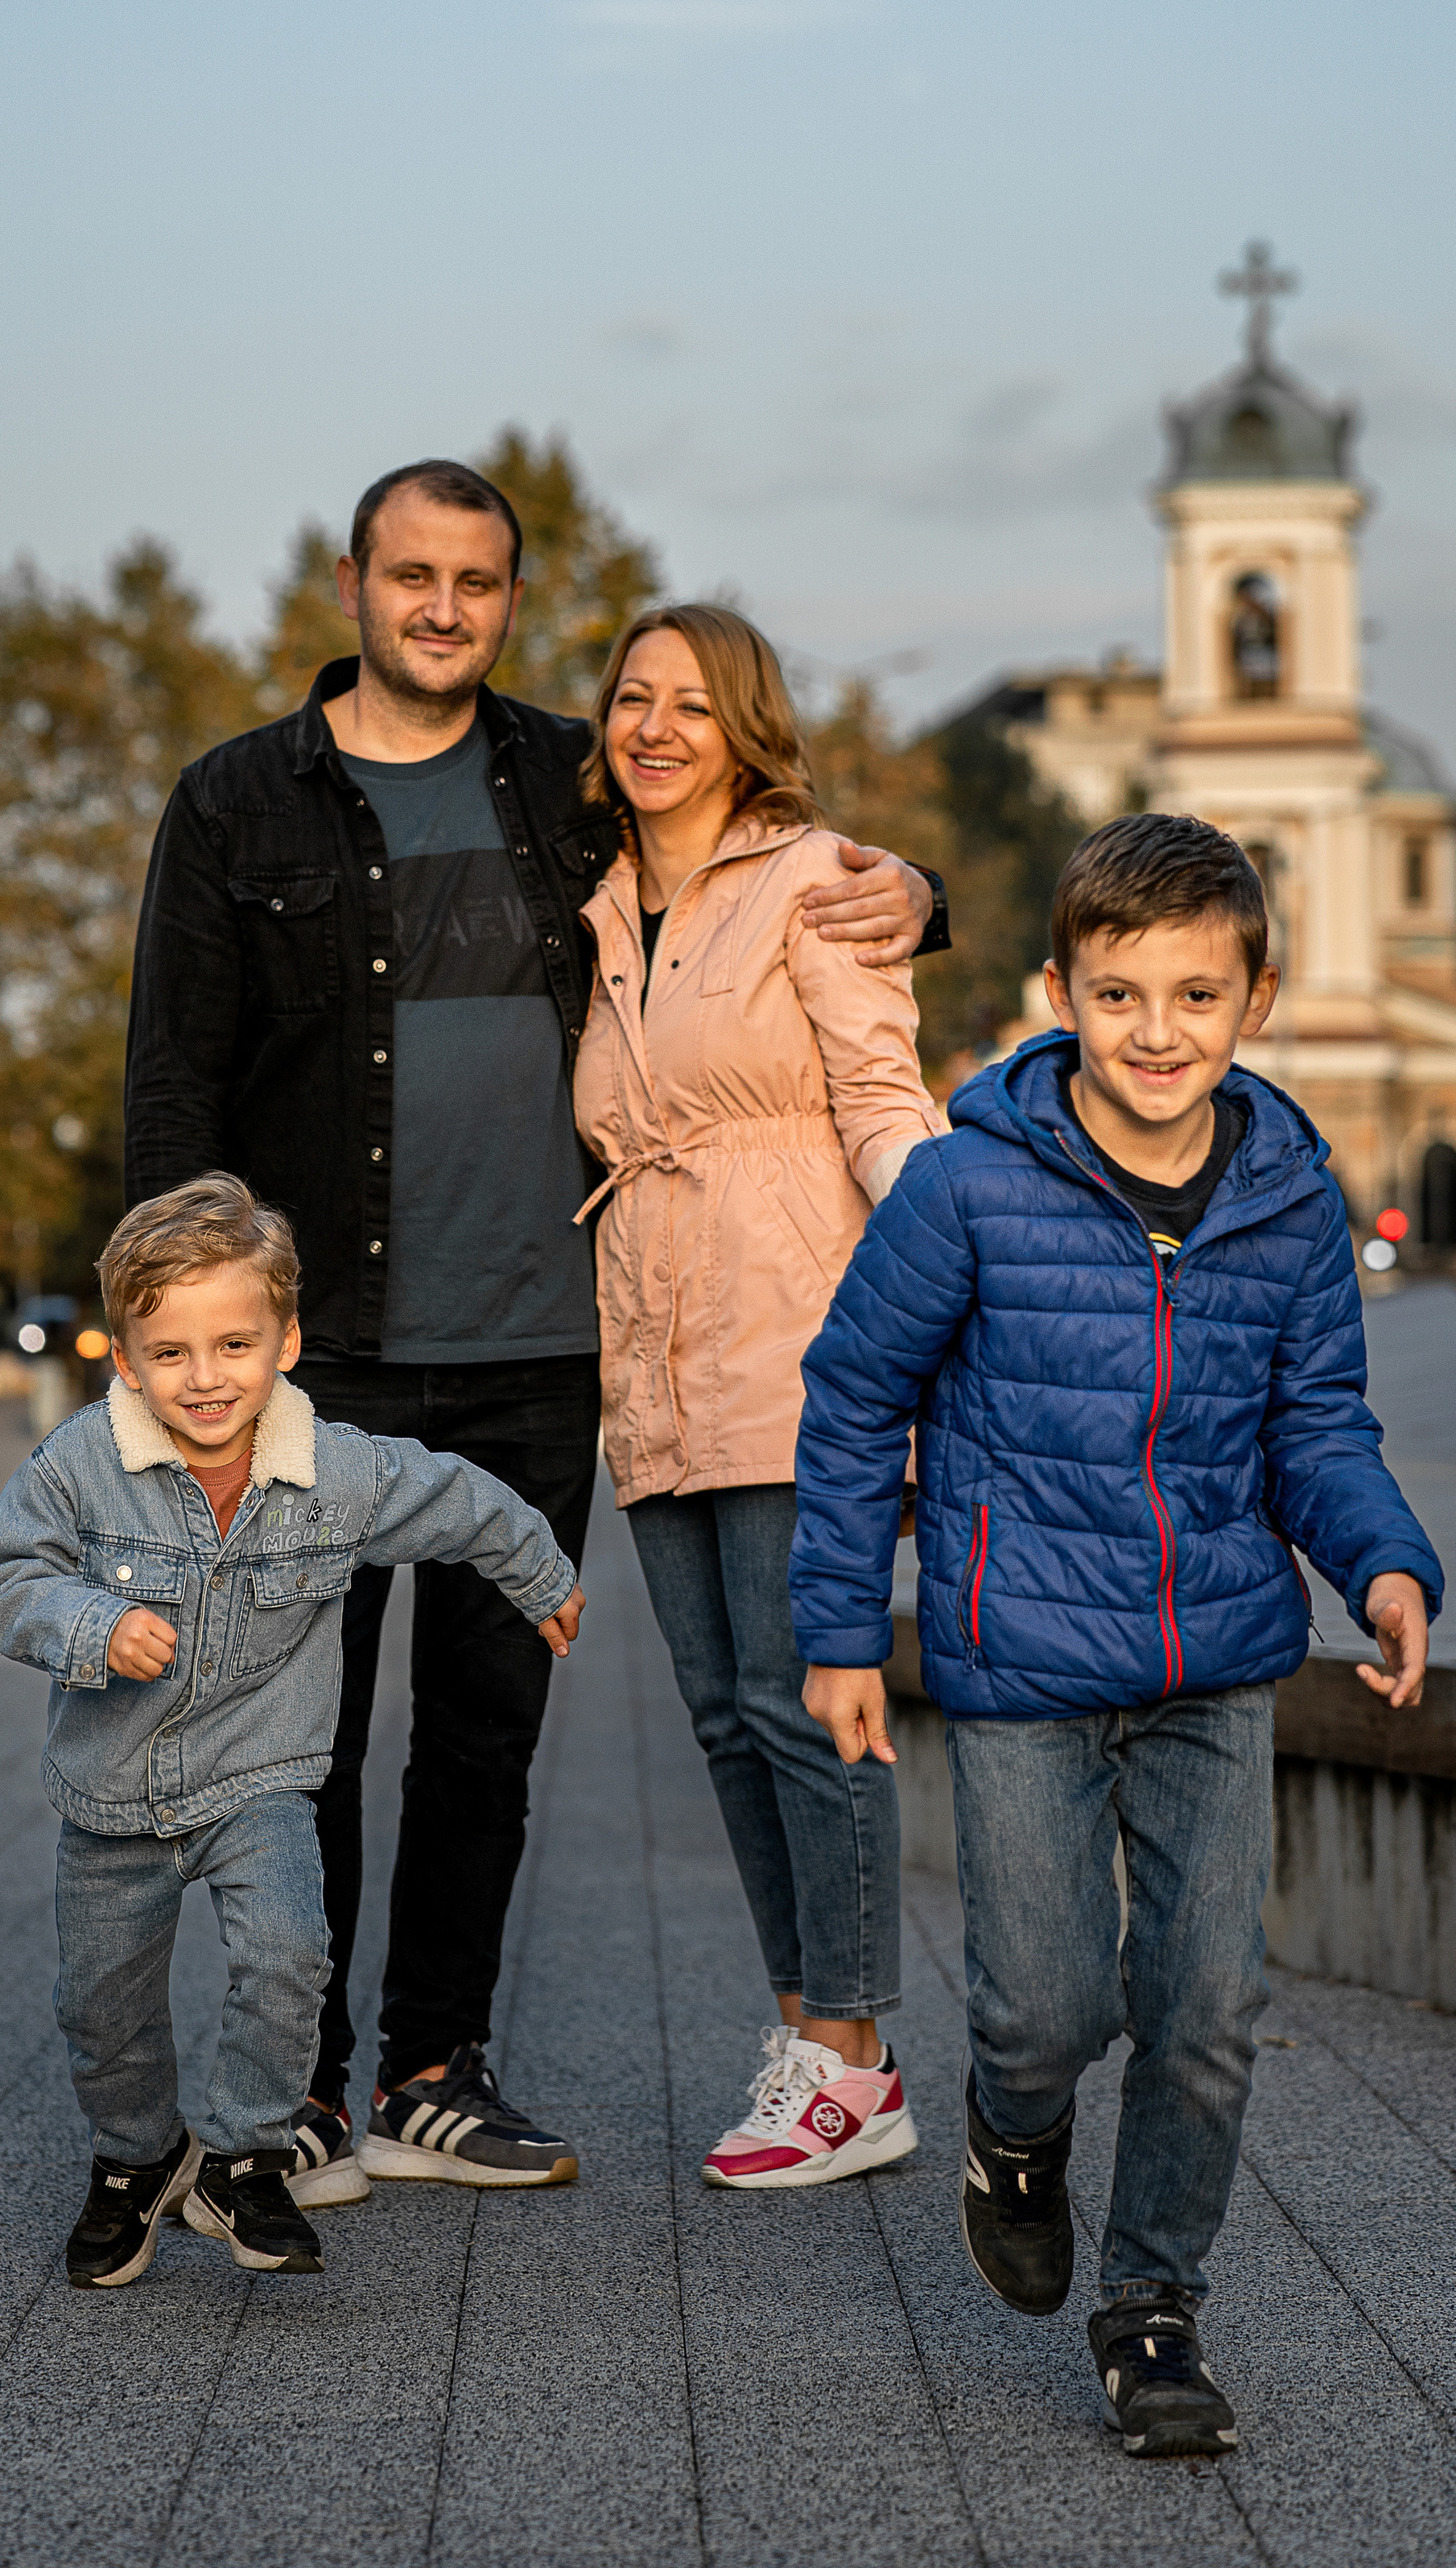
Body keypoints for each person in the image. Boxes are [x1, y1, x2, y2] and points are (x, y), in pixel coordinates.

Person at [123, 459, 945, 2186]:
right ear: (350, 582)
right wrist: (169, 1358)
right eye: (409, 574)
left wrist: (914, 893)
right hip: (317, 1355)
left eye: (476, 582)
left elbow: (757, 856)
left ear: (508, 600)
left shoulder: (563, 783)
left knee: (486, 1734)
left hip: (540, 1352)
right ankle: (302, 2089)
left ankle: (433, 2065)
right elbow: (170, 1088)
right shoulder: (234, 803)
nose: (441, 607)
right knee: (304, 1737)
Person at [787, 813, 1444, 2454]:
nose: (1156, 1032)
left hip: (1218, 1660)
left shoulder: (1290, 1196)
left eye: (1194, 996)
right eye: (1119, 992)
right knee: (1039, 2009)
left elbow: (1319, 1426)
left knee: (1207, 1999)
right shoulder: (962, 1186)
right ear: (1054, 989)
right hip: (1018, 1661)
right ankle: (1012, 2140)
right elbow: (855, 1400)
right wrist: (841, 1629)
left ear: (1254, 1002)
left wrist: (1380, 1566)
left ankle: (1151, 2307)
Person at [0, 1175, 583, 2289]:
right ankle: (135, 2161)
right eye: (172, 1353)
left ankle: (246, 2153)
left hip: (261, 1782)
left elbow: (456, 1497)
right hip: (114, 1796)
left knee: (291, 1954)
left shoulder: (335, 1472)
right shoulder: (78, 1466)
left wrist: (539, 1573)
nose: (206, 1379)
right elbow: (6, 1580)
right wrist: (92, 1625)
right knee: (101, 2008)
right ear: (125, 1358)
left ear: (287, 1341)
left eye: (236, 1344)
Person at [571, 604, 944, 2188]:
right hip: (652, 1353)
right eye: (631, 699)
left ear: (744, 730)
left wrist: (950, 1265)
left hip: (800, 1344)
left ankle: (856, 2057)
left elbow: (877, 1091)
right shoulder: (594, 907)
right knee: (725, 1721)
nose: (655, 726)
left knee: (812, 1707)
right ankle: (808, 2039)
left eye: (692, 704)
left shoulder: (815, 880)